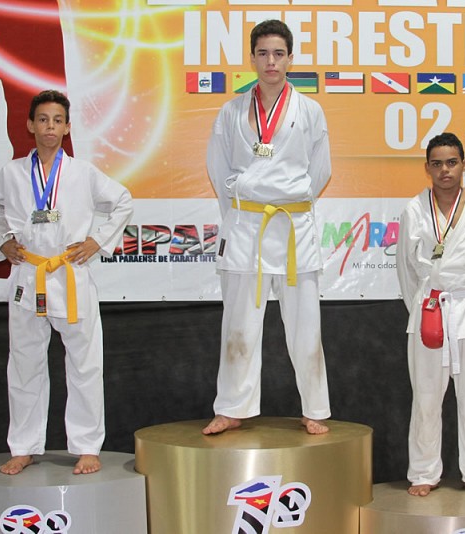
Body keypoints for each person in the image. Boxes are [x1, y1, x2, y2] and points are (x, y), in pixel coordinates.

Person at [0, 90, 133, 475]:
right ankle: (24, 446)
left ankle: (87, 446)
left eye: (58, 120)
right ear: (30, 125)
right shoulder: (12, 173)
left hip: (70, 274)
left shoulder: (83, 173)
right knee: (24, 364)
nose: (50, 127)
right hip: (28, 273)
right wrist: (3, 242)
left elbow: (123, 201)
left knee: (84, 364)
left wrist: (97, 241)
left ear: (67, 128)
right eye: (43, 119)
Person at [203, 19, 332, 436]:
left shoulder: (310, 110)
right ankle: (232, 407)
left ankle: (315, 408)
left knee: (306, 326)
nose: (271, 61)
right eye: (263, 53)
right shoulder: (232, 111)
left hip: (293, 227)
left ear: (290, 58)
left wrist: (293, 201)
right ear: (252, 58)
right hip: (247, 227)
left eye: (278, 53)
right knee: (239, 324)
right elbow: (218, 167)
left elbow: (320, 170)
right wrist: (242, 206)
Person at [396, 132, 465, 497]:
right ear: (427, 168)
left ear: (464, 165)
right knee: (426, 398)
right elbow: (406, 268)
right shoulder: (414, 209)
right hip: (430, 305)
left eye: (452, 162)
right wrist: (423, 303)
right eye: (437, 163)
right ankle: (424, 472)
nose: (445, 170)